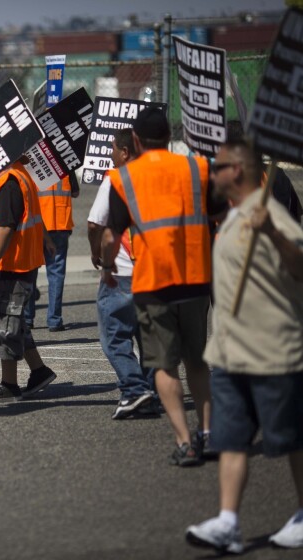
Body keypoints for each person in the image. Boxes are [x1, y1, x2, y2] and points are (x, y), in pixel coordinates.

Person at [185, 139, 303, 553]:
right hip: (230, 357)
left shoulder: (275, 218)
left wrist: (272, 231)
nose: (211, 175)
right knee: (230, 440)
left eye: (216, 168)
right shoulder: (234, 218)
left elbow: (300, 267)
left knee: (291, 440)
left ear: (236, 171)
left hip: (273, 354)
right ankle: (228, 522)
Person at [103, 107, 224, 466]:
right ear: (169, 138)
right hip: (197, 279)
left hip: (154, 283)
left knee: (164, 366)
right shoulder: (197, 167)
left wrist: (108, 266)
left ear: (136, 140)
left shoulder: (124, 178)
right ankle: (210, 434)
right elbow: (219, 215)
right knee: (197, 362)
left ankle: (185, 442)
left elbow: (112, 234)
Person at [0, 155, 58, 404]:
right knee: (15, 321)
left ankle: (9, 386)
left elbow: (6, 226)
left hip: (9, 266)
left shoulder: (7, 182)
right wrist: (46, 240)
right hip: (19, 263)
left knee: (4, 323)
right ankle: (39, 371)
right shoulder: (20, 176)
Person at [87, 129, 157, 419]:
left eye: (113, 148)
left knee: (115, 336)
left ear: (125, 152)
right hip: (155, 269)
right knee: (149, 337)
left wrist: (99, 256)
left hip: (123, 268)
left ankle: (133, 389)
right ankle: (151, 392)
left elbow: (95, 224)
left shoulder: (116, 179)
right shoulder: (158, 177)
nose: (110, 154)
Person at [24, 171, 79, 332]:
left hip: (36, 224)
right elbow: (75, 192)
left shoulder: (30, 164)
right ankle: (54, 320)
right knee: (56, 274)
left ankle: (27, 318)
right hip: (59, 223)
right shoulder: (67, 163)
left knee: (30, 271)